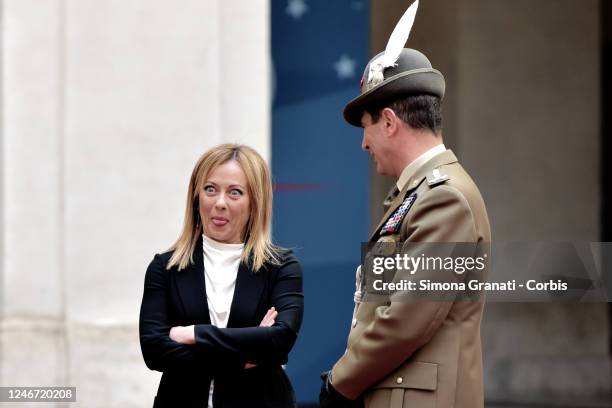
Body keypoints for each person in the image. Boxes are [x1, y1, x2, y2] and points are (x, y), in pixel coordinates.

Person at [319, 16, 491, 408]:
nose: (364, 144)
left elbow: (407, 318)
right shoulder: (418, 195)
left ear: (391, 122)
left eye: (367, 127)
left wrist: (341, 381)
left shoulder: (444, 199)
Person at [139, 144, 304, 408]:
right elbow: (154, 351)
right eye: (210, 189)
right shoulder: (165, 267)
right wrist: (244, 356)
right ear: (197, 196)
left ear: (255, 202)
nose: (220, 203)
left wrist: (193, 334)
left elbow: (279, 341)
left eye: (235, 193)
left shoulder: (280, 267)